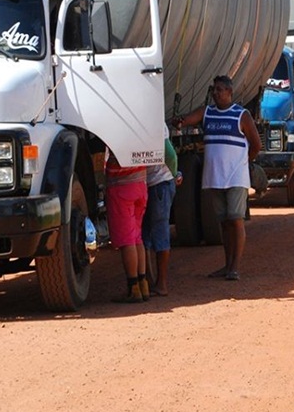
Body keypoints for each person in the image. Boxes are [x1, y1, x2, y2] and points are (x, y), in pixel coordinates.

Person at [175, 75, 262, 281]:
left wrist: (243, 162)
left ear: (230, 92)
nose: (216, 93)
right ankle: (227, 264)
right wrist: (179, 120)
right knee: (224, 223)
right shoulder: (207, 112)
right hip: (215, 177)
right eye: (214, 89)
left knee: (236, 220)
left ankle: (235, 267)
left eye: (220, 89)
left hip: (235, 178)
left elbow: (256, 145)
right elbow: (188, 119)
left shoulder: (242, 115)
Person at [105, 150, 148, 303]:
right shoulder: (140, 140)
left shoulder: (117, 140)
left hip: (121, 189)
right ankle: (143, 285)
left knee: (127, 240)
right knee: (137, 237)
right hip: (140, 185)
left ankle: (133, 288)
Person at [142, 133, 181, 297]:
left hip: (155, 183)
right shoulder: (155, 122)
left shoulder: (154, 124)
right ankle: (154, 282)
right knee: (153, 233)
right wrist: (174, 174)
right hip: (158, 182)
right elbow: (170, 155)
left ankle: (158, 283)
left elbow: (169, 155)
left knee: (153, 234)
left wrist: (174, 174)